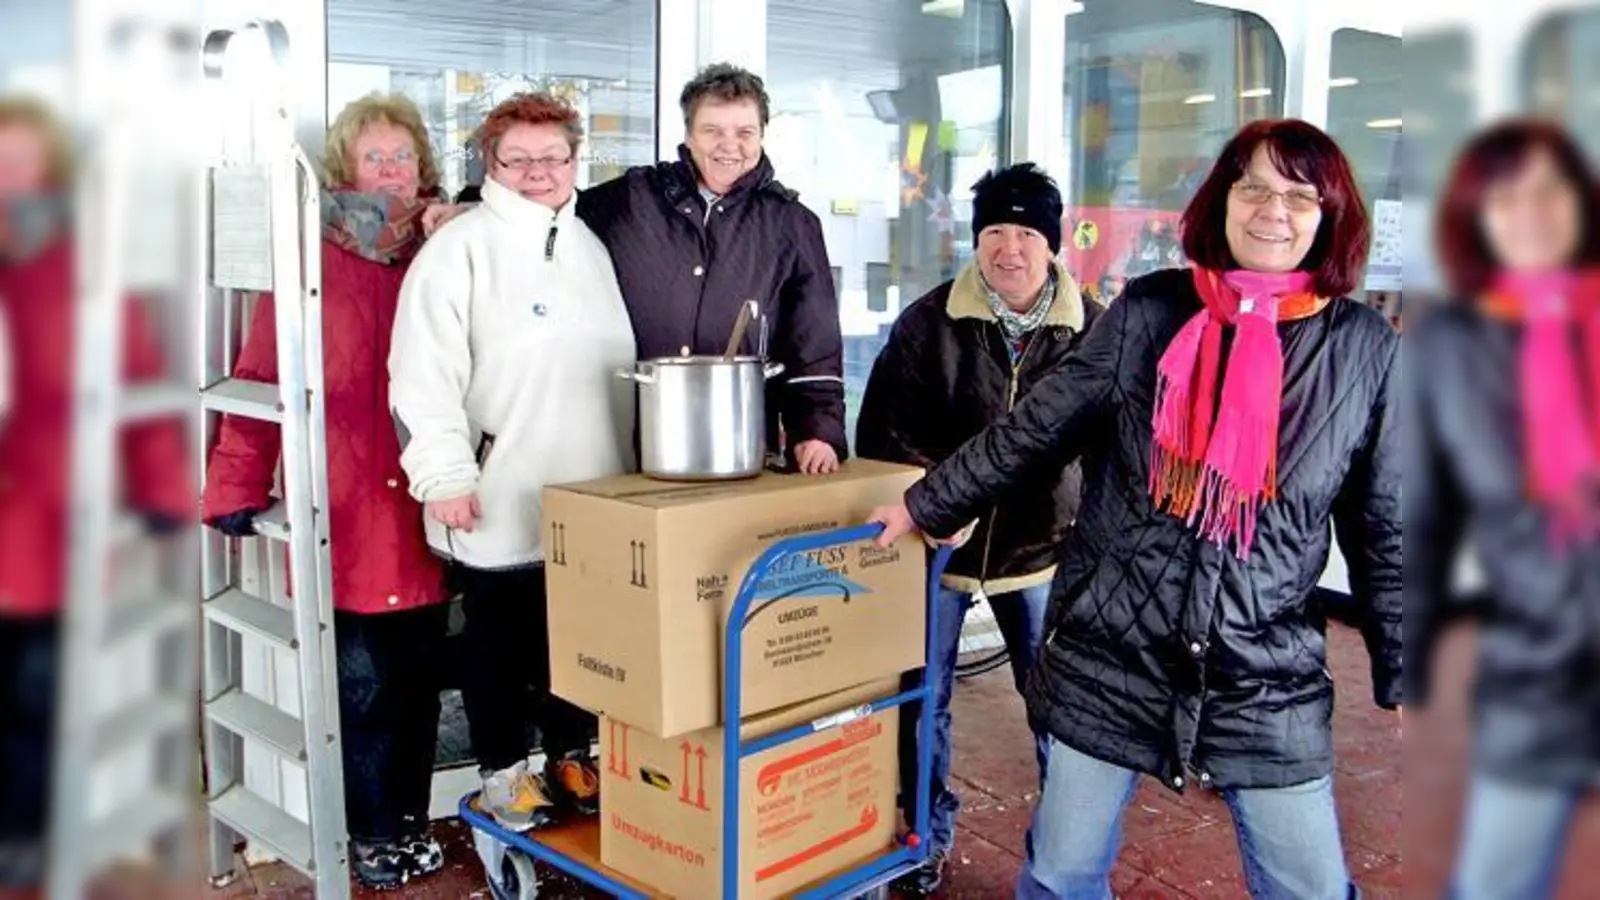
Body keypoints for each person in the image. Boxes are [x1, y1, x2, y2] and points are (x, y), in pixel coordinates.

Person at [870, 119, 1400, 899]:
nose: (1271, 211)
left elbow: (1385, 521)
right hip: (1108, 654)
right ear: (1222, 199)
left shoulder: (1362, 348)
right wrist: (923, 503)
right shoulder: (1151, 313)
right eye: (1252, 186)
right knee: (1060, 875)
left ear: (1331, 216)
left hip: (1264, 673)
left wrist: (1405, 662)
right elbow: (1034, 429)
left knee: (1309, 888)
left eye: (1298, 195)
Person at [201, 92, 453, 889]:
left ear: (424, 169)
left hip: (433, 509)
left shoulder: (447, 253)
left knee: (417, 689)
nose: (389, 171)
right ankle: (370, 832)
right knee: (362, 692)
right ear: (345, 168)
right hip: (342, 513)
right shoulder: (309, 262)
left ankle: (407, 822)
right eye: (374, 157)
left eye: (402, 157)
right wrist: (234, 483)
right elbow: (262, 376)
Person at [388, 92, 636, 833]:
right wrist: (445, 475)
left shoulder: (590, 246)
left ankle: (570, 752)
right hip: (496, 489)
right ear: (489, 165)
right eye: (517, 159)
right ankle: (503, 774)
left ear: (574, 161)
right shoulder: (458, 250)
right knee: (498, 641)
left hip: (588, 490)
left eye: (552, 157)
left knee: (578, 632)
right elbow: (419, 373)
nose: (537, 172)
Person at [855, 162, 1100, 895]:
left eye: (1026, 232)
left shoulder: (1093, 331)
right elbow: (885, 431)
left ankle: (1062, 849)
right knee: (921, 702)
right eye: (995, 230)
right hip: (937, 552)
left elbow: (1113, 442)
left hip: (1042, 553)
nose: (1010, 248)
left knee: (1060, 710)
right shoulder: (929, 322)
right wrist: (934, 503)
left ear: (1052, 244)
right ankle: (924, 832)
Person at [0, 94, 192, 889]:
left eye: (22, 158)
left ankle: (22, 834)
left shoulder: (82, 266)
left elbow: (135, 378)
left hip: (44, 519)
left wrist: (166, 488)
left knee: (36, 692)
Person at [1409, 119, 1600, 900]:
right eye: (1505, 196)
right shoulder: (1452, 342)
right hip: (1534, 666)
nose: (1530, 213)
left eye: (1548, 190)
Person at [575, 62, 846, 474]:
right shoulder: (632, 199)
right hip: (630, 443)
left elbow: (814, 342)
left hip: (739, 444)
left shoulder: (792, 222)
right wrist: (468, 210)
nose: (729, 145)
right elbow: (549, 209)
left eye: (744, 132)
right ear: (688, 134)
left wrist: (818, 430)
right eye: (712, 130)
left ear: (761, 136)